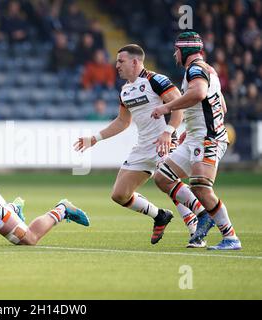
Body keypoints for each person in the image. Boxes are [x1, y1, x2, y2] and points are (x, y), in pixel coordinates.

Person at [75, 44, 208, 246]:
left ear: (135, 61)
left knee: (167, 181)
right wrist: (95, 138)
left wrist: (168, 132)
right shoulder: (125, 91)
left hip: (164, 141)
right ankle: (159, 216)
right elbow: (123, 122)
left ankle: (198, 223)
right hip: (144, 146)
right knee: (119, 194)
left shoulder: (156, 80)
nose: (116, 65)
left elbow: (178, 107)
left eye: (121, 61)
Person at [151, 31, 241, 250]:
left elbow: (199, 93)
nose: (175, 54)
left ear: (185, 50)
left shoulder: (195, 69)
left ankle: (230, 237)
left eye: (177, 50)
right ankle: (203, 214)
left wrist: (167, 106)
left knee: (201, 187)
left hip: (207, 139)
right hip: (196, 137)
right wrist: (191, 128)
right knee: (162, 177)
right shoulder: (208, 70)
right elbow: (221, 105)